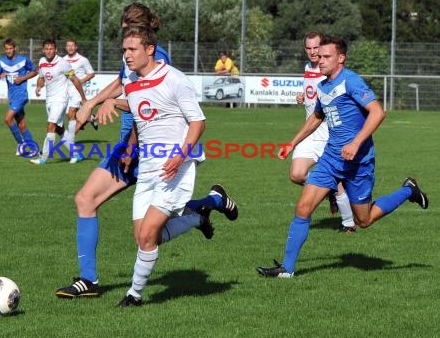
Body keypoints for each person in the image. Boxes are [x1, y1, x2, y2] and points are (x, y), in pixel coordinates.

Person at [55, 2, 238, 300]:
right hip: (131, 146)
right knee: (86, 199)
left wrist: (125, 134)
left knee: (147, 234)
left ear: (147, 30)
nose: (126, 29)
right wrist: (92, 104)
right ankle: (88, 280)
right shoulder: (130, 56)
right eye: (124, 24)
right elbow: (122, 84)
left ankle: (205, 206)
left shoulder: (155, 58)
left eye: (132, 24)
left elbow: (151, 108)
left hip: (151, 150)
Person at [257, 36, 429, 279]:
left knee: (364, 220)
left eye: (326, 56)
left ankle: (408, 190)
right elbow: (317, 117)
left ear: (341, 58)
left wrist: (356, 142)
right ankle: (287, 268)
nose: (320, 59)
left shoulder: (351, 81)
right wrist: (292, 143)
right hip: (330, 159)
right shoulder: (323, 86)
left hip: (359, 162)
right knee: (303, 208)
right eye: (319, 55)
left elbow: (378, 112)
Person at [115, 25, 216, 307]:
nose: (127, 55)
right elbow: (139, 117)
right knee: (145, 237)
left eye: (132, 49)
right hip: (147, 167)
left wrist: (180, 156)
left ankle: (134, 295)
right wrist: (131, 148)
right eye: (124, 50)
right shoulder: (132, 82)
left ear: (150, 49)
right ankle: (197, 218)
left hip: (175, 166)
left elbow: (198, 122)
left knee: (148, 235)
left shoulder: (175, 79)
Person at [291, 31, 356, 233]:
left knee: (336, 181)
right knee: (296, 174)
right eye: (308, 48)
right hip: (311, 134)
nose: (312, 52)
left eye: (316, 48)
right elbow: (314, 94)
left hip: (331, 135)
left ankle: (349, 224)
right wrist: (303, 96)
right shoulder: (308, 68)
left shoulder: (331, 69)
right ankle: (329, 190)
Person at [30, 39, 87, 165]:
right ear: (43, 50)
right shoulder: (42, 61)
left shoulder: (63, 63)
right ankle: (76, 154)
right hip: (49, 100)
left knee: (50, 126)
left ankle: (43, 158)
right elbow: (41, 77)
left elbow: (75, 80)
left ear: (55, 50)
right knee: (59, 129)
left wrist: (83, 98)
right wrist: (39, 86)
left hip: (61, 100)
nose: (49, 51)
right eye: (47, 49)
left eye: (51, 49)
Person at [0, 38, 38, 155]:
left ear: (15, 48)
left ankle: (21, 145)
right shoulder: (2, 61)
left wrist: (23, 78)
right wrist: (0, 75)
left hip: (21, 96)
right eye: (6, 49)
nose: (8, 51)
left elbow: (35, 71)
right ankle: (34, 149)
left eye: (10, 48)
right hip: (12, 97)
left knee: (7, 119)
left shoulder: (23, 60)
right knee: (22, 125)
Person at [63, 39, 98, 163]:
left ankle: (70, 142)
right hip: (66, 91)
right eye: (68, 46)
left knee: (72, 114)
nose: (70, 48)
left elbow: (91, 73)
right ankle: (90, 118)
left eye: (72, 45)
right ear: (66, 48)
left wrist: (81, 81)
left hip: (77, 90)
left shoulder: (82, 60)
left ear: (76, 47)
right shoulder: (63, 60)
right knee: (69, 116)